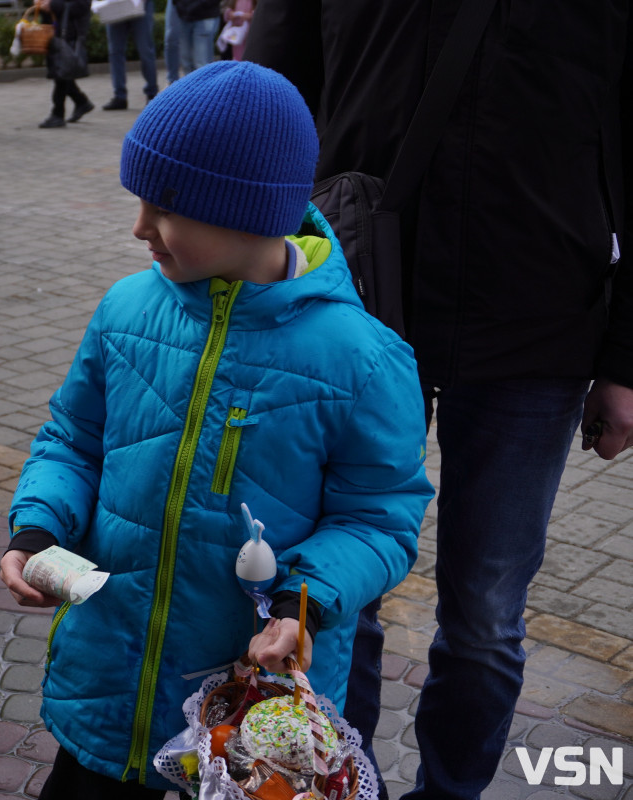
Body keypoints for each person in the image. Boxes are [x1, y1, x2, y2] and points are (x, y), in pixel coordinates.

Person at [0, 61, 434, 798]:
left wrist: (305, 603)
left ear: (248, 214)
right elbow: (71, 439)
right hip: (113, 693)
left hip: (250, 711)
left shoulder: (361, 359)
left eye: (165, 208)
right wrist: (39, 527)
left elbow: (379, 520)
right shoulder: (125, 310)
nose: (139, 227)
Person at [244, 3, 633, 799]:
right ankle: (337, 786)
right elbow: (264, 99)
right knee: (327, 592)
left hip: (537, 316)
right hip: (352, 308)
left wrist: (625, 359)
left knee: (486, 618)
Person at [35, 0, 95, 128]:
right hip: (55, 31)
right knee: (61, 72)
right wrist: (41, 5)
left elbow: (82, 5)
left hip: (69, 33)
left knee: (61, 74)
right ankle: (81, 102)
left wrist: (53, 5)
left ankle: (57, 114)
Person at [101, 0, 159, 110]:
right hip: (115, 5)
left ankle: (152, 93)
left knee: (145, 50)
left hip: (141, 4)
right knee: (115, 52)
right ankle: (119, 96)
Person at [164, 0, 220, 84]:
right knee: (187, 63)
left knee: (201, 64)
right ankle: (192, 93)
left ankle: (204, 93)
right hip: (184, 15)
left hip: (205, 14)